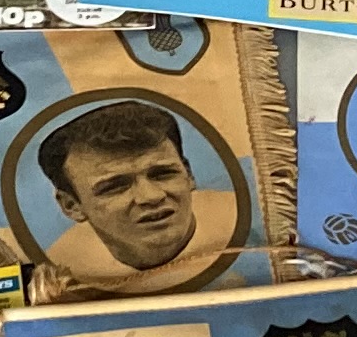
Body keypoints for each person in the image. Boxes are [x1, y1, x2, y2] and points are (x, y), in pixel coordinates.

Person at [31, 97, 243, 293]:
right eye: (115, 187)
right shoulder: (57, 283)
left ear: (188, 174)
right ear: (71, 205)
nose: (151, 197)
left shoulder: (252, 235)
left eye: (163, 174)